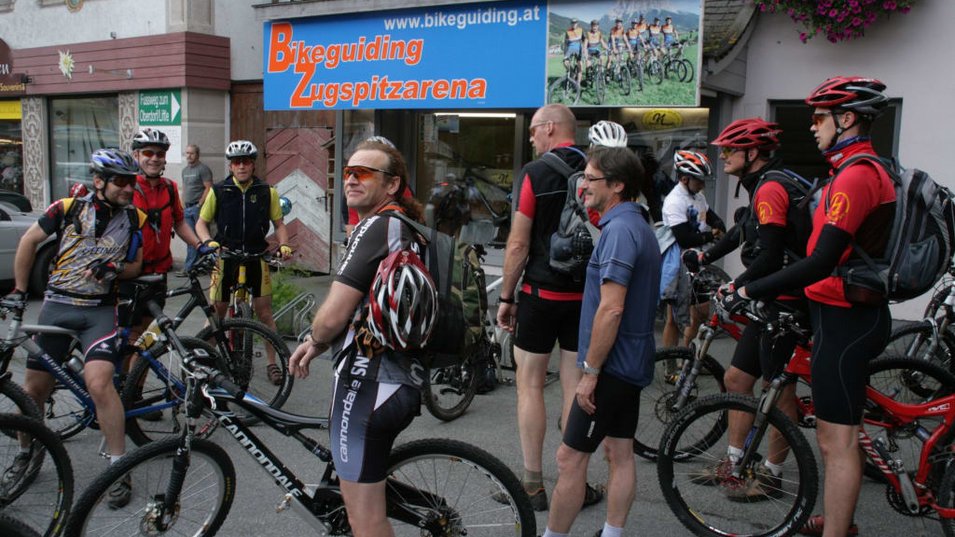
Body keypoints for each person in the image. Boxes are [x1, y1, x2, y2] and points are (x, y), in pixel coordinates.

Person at [729, 76, 894, 537]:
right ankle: (839, 520)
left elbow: (821, 260)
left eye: (820, 117)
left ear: (847, 119)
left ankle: (837, 530)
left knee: (836, 440)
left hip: (846, 319)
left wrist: (750, 290)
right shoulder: (848, 170)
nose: (813, 126)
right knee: (836, 434)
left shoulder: (857, 174)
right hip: (835, 314)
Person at [287, 139, 430, 536]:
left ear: (392, 184)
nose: (351, 179)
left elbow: (333, 314)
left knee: (365, 520)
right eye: (348, 171)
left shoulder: (378, 226)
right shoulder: (405, 225)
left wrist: (315, 340)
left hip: (368, 383)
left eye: (364, 173)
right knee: (366, 491)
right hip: (397, 378)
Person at [4, 149, 145, 508]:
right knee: (33, 390)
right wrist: (20, 290)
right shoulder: (66, 208)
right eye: (121, 181)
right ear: (99, 181)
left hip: (100, 312)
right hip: (57, 307)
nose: (129, 188)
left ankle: (118, 466)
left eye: (132, 182)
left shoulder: (134, 218)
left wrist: (115, 270)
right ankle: (26, 453)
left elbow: (136, 266)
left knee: (99, 384)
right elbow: (28, 242)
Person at [686, 118, 811, 501]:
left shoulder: (771, 188)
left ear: (752, 153)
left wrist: (738, 286)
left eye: (729, 150)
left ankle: (772, 473)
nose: (722, 156)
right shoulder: (762, 185)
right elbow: (743, 233)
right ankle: (734, 461)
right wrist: (707, 256)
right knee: (738, 380)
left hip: (787, 303)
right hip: (769, 300)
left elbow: (771, 255)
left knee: (779, 390)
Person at [542, 144, 660, 537]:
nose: (583, 187)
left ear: (618, 184)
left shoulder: (621, 231)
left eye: (592, 179)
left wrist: (590, 372)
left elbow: (611, 309)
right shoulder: (636, 224)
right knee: (618, 451)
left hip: (612, 366)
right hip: (630, 361)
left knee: (569, 458)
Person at [496, 104, 604, 512]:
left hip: (540, 294)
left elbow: (518, 243)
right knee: (576, 388)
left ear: (551, 129)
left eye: (534, 130)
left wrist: (506, 297)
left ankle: (532, 485)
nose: (530, 137)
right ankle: (575, 483)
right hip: (585, 298)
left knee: (530, 384)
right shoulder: (598, 170)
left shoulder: (535, 173)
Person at [195, 140, 292, 386]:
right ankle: (203, 360)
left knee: (265, 313)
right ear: (230, 166)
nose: (241, 166)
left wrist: (284, 245)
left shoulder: (266, 191)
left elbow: (279, 224)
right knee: (217, 312)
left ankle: (272, 363)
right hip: (225, 256)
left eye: (246, 162)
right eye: (236, 162)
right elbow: (201, 223)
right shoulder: (219, 190)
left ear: (253, 164)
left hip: (256, 257)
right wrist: (207, 242)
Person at [123, 129, 204, 373]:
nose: (154, 158)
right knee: (128, 338)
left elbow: (179, 222)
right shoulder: (126, 188)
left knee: (148, 337)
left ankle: (134, 388)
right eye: (148, 153)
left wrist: (199, 245)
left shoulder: (169, 188)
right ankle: (121, 387)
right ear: (136, 155)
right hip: (131, 274)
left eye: (160, 154)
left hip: (158, 272)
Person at [659, 150, 724, 352]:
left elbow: (712, 217)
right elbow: (684, 238)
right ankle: (670, 361)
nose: (703, 184)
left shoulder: (698, 196)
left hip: (698, 260)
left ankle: (686, 354)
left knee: (701, 313)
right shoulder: (674, 201)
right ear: (684, 179)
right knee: (674, 318)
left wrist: (718, 226)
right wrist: (712, 235)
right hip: (679, 262)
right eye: (699, 180)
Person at [180, 144, 214, 273]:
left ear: (197, 155)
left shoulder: (203, 169)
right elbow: (184, 189)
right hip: (187, 208)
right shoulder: (185, 171)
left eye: (191, 153)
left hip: (198, 208)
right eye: (187, 153)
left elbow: (209, 188)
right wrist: (182, 204)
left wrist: (200, 204)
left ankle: (197, 267)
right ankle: (191, 267)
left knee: (202, 238)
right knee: (190, 238)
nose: (189, 156)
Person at [562, 18, 584, 87]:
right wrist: (565, 53)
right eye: (572, 23)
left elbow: (584, 40)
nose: (574, 24)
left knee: (580, 66)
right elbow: (566, 43)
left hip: (579, 49)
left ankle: (578, 84)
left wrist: (584, 49)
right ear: (571, 24)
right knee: (565, 62)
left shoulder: (581, 30)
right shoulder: (568, 31)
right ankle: (572, 72)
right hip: (570, 49)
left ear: (577, 23)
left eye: (575, 23)